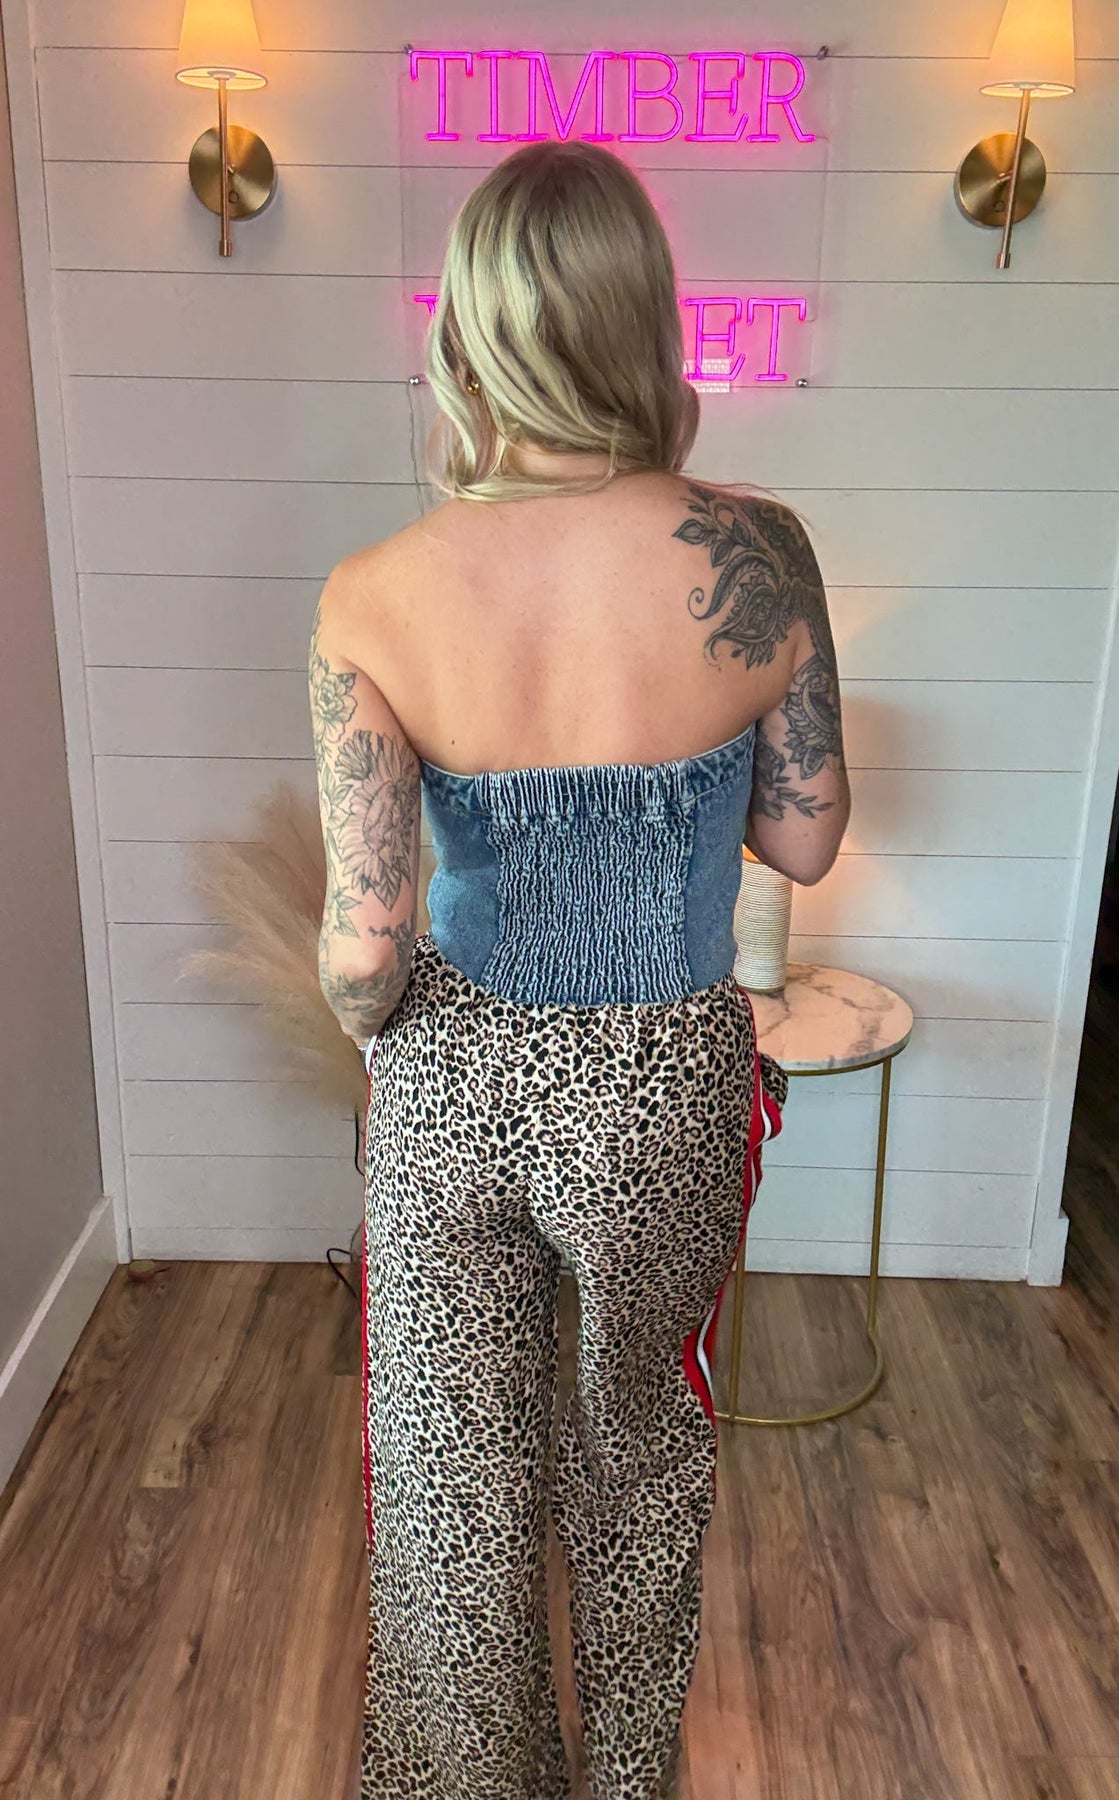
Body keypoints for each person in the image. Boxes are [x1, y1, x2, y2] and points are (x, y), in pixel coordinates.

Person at [309, 139, 850, 1800]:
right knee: (638, 1458)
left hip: (459, 1082)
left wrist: (377, 1025)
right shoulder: (761, 554)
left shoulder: (376, 596)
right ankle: (626, 1780)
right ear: (644, 320)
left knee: (454, 1489)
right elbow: (807, 837)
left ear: (471, 332)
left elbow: (365, 948)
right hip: (664, 1083)